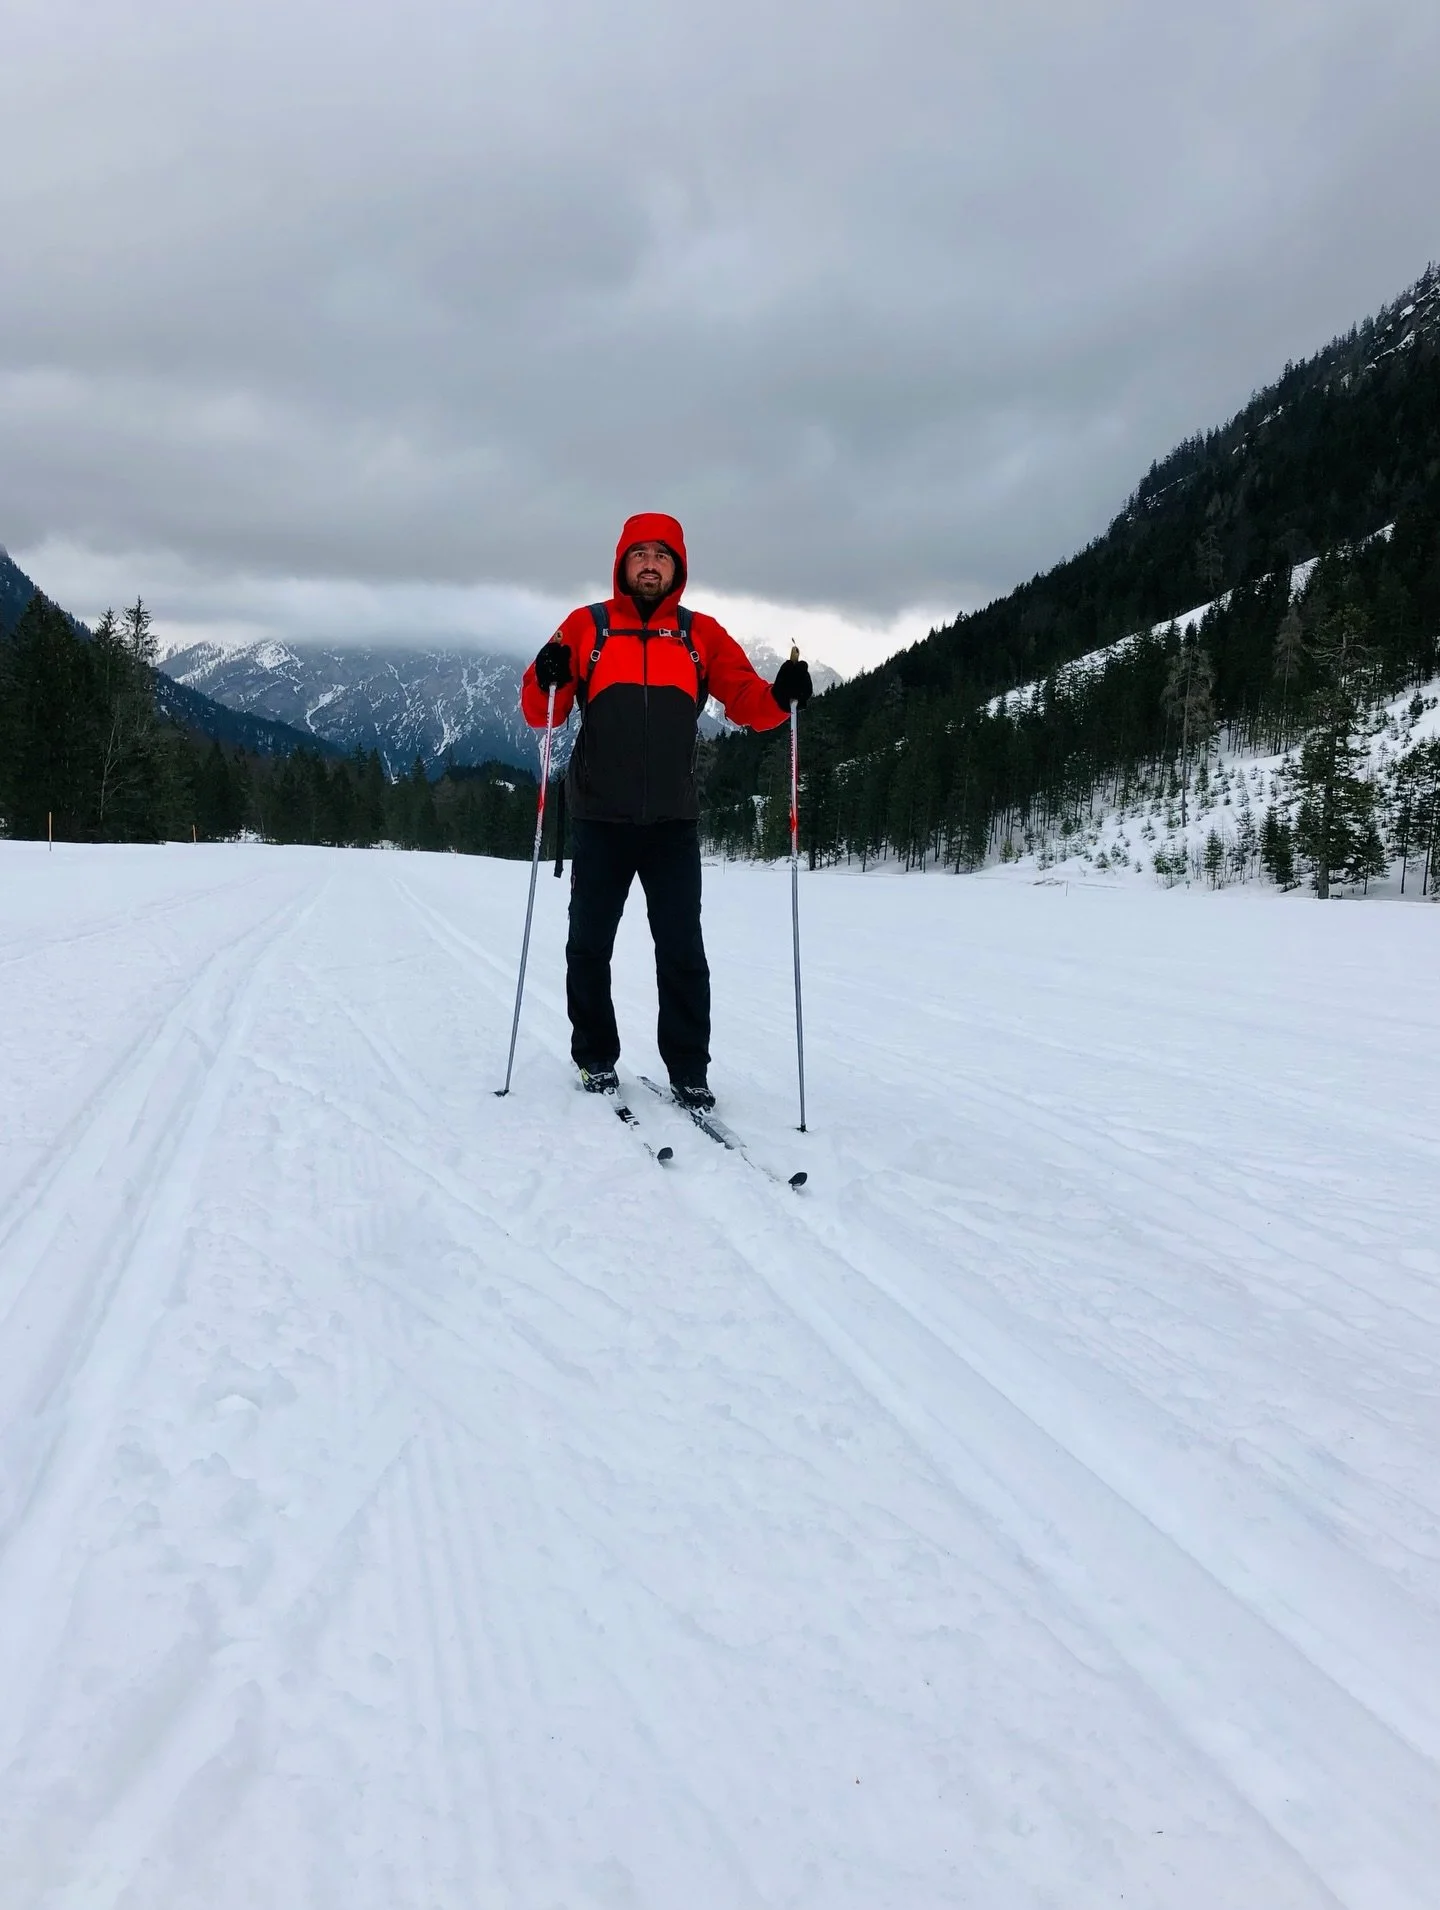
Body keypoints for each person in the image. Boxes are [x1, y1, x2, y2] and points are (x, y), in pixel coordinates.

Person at [520, 512, 812, 1111]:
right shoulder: (587, 627)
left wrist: (782, 696)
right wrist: (543, 673)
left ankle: (688, 1070)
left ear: (677, 567)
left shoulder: (699, 635)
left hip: (673, 823)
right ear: (622, 563)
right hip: (600, 818)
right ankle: (595, 1058)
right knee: (588, 945)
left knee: (682, 950)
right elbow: (542, 712)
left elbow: (749, 702)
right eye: (639, 554)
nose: (649, 564)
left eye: (661, 555)